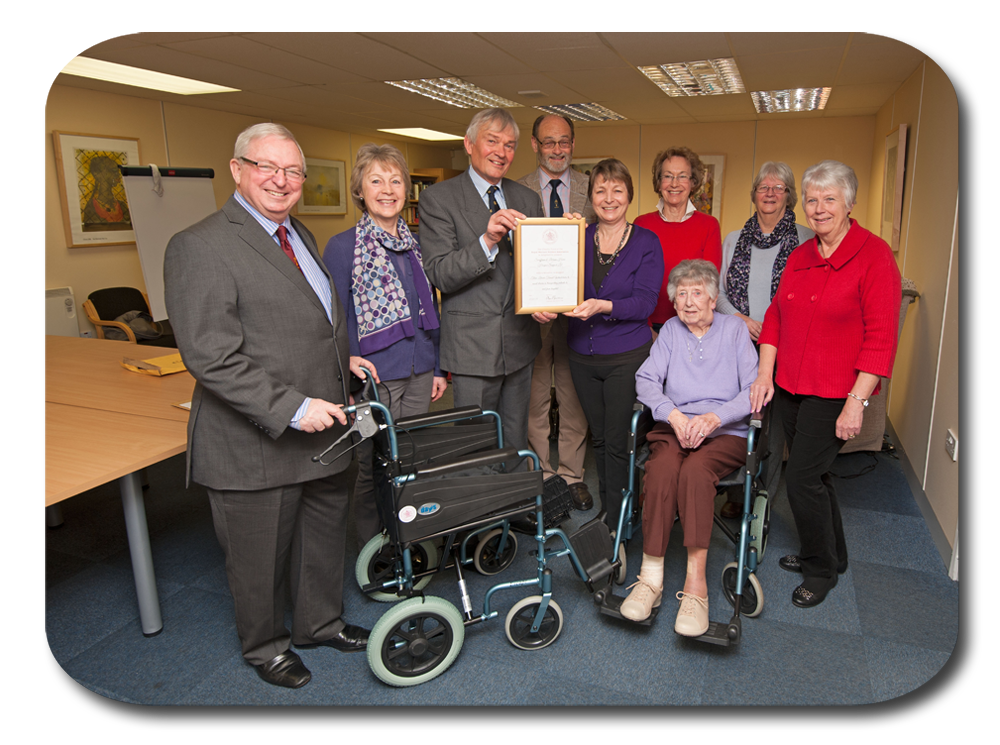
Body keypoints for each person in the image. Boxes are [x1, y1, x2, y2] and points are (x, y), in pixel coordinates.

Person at [163, 123, 373, 690]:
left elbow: (314, 324)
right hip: (255, 438)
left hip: (326, 427)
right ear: (237, 169)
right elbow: (211, 356)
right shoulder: (199, 245)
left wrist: (344, 362)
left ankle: (319, 623)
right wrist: (291, 406)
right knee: (257, 556)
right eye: (266, 167)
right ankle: (265, 646)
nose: (281, 181)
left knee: (323, 536)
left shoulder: (297, 232)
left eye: (293, 171)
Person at [751, 160, 901, 609]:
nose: (818, 209)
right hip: (793, 386)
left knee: (800, 479)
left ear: (849, 203)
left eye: (829, 199)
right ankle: (834, 555)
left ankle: (820, 569)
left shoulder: (874, 256)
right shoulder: (801, 255)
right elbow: (776, 316)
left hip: (837, 393)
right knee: (815, 474)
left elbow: (881, 338)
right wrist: (764, 373)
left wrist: (857, 402)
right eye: (812, 200)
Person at [324, 143, 446, 548]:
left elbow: (431, 307)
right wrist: (349, 362)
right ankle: (371, 547)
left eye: (396, 180)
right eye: (376, 180)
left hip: (419, 370)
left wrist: (439, 367)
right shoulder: (342, 247)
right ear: (360, 188)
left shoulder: (417, 244)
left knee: (410, 458)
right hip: (372, 378)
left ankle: (404, 537)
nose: (387, 189)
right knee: (370, 463)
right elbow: (336, 317)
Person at [629, 260, 758, 634]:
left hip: (724, 431)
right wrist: (675, 416)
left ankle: (695, 585)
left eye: (697, 293)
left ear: (714, 298)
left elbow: (753, 392)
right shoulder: (670, 330)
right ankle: (650, 577)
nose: (687, 302)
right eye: (680, 294)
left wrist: (713, 419)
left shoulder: (734, 330)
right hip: (676, 424)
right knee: (663, 468)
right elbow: (647, 380)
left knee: (696, 472)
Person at [540, 158, 662, 529]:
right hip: (581, 354)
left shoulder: (645, 242)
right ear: (590, 196)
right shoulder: (578, 236)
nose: (609, 198)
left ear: (629, 195)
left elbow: (645, 302)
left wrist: (604, 305)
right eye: (600, 190)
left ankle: (620, 514)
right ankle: (613, 510)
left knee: (618, 438)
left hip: (626, 355)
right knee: (598, 439)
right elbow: (553, 279)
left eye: (617, 190)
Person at [419, 108, 544, 461]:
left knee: (516, 440)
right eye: (492, 141)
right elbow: (440, 273)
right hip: (472, 347)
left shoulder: (527, 199)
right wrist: (486, 241)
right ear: (469, 144)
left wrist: (545, 298)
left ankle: (515, 511)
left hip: (520, 341)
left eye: (510, 145)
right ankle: (486, 516)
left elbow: (535, 268)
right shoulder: (438, 199)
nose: (501, 152)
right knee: (475, 445)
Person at [715, 161, 814, 519]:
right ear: (754, 194)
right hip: (738, 342)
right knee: (738, 419)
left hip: (786, 346)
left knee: (771, 426)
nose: (770, 194)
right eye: (763, 187)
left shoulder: (806, 239)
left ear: (790, 196)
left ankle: (764, 497)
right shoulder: (732, 239)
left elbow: (807, 296)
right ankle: (737, 494)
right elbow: (720, 292)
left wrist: (772, 327)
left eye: (779, 188)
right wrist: (741, 321)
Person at [517, 114, 594, 510]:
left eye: (564, 141)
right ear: (534, 145)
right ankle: (543, 476)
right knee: (534, 397)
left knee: (572, 394)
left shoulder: (590, 188)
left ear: (573, 143)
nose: (558, 149)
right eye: (549, 142)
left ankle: (572, 474)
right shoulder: (517, 191)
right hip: (532, 315)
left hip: (578, 313)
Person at [634, 147, 722, 332]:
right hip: (645, 326)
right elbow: (632, 281)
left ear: (693, 182)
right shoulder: (641, 224)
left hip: (693, 326)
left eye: (682, 176)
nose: (674, 183)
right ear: (659, 183)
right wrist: (647, 327)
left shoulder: (709, 226)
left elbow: (709, 286)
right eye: (667, 176)